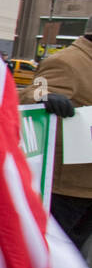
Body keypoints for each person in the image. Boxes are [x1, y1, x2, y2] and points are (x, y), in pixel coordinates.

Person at [21, 35, 92, 247]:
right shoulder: (69, 61)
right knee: (57, 257)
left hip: (85, 185)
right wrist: (45, 97)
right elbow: (32, 92)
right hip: (66, 190)